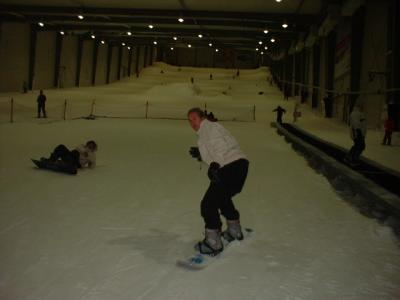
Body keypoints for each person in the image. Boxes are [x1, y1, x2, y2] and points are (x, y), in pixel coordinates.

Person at [187, 108, 249, 256]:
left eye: (194, 119)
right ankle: (234, 230)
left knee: (208, 204)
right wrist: (202, 155)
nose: (192, 123)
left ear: (202, 118)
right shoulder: (211, 128)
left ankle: (213, 242)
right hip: (240, 165)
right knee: (222, 198)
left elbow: (219, 146)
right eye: (189, 120)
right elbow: (221, 145)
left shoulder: (207, 127)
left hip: (229, 167)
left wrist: (215, 164)